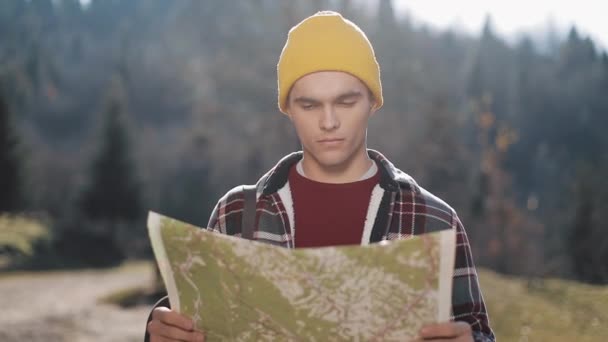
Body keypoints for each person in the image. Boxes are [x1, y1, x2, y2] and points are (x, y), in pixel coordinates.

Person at [145, 11, 495, 342]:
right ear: (289, 110)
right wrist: (162, 331)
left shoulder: (434, 219)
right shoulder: (237, 213)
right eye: (309, 105)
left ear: (372, 101)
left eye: (345, 102)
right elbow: (203, 322)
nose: (328, 121)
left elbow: (478, 331)